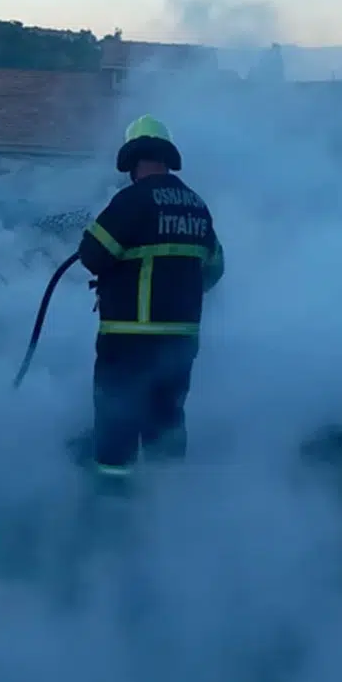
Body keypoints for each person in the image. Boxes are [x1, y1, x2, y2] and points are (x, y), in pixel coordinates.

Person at [76, 115, 223, 480]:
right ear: (166, 157)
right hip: (181, 342)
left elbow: (92, 254)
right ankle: (166, 508)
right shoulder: (197, 206)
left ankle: (113, 504)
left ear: (131, 161)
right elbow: (215, 268)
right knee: (167, 421)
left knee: (117, 422)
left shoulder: (130, 201)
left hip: (129, 340)